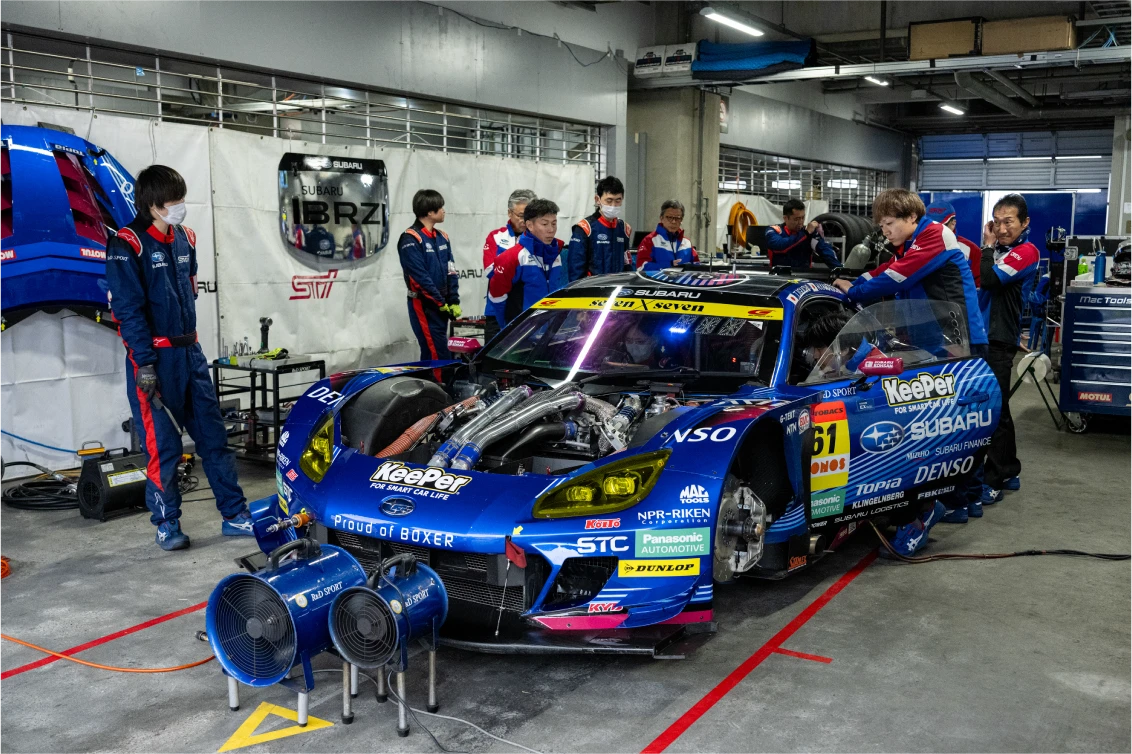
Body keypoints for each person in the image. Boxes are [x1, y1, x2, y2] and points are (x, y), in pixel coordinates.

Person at [105, 165, 251, 551]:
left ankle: (235, 515)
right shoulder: (127, 243)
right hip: (155, 361)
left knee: (215, 439)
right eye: (173, 201)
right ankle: (167, 524)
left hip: (191, 354)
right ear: (152, 204)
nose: (180, 206)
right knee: (164, 448)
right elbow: (127, 311)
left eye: (181, 199)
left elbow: (190, 288)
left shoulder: (186, 237)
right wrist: (144, 363)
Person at [832, 188, 987, 552]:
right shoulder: (909, 243)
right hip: (933, 343)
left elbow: (897, 277)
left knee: (958, 424)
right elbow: (885, 270)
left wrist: (854, 292)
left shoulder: (934, 235)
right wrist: (856, 281)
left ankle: (963, 499)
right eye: (881, 225)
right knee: (946, 423)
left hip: (958, 343)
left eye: (889, 223)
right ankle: (956, 501)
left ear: (911, 218)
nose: (885, 230)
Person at [977, 194, 1040, 505]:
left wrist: (987, 247)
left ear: (1025, 223)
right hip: (983, 336)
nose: (1001, 229)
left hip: (1000, 339)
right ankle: (1010, 469)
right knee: (996, 408)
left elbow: (990, 280)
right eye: (997, 222)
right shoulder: (1001, 252)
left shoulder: (1026, 252)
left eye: (1009, 222)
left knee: (995, 411)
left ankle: (995, 478)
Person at [398, 189, 460, 363]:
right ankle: (440, 381)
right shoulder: (410, 239)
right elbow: (420, 278)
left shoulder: (442, 237)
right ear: (430, 212)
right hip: (424, 305)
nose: (444, 211)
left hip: (442, 303)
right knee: (435, 352)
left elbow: (451, 269)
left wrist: (453, 300)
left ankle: (434, 380)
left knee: (438, 351)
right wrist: (440, 302)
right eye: (440, 207)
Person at [487, 199, 566, 329]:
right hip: (523, 332)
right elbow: (496, 296)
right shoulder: (512, 257)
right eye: (544, 224)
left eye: (554, 223)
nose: (551, 230)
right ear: (529, 225)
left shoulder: (558, 252)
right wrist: (509, 329)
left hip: (552, 330)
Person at [482, 188, 537, 344]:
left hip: (529, 313)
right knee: (492, 356)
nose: (524, 220)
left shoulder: (539, 239)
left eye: (529, 215)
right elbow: (491, 271)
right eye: (520, 215)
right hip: (496, 311)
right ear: (509, 213)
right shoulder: (496, 236)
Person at [567, 176, 632, 281]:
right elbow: (575, 270)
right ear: (598, 200)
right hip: (593, 288)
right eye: (609, 200)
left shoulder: (624, 228)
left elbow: (627, 264)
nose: (613, 205)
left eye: (618, 200)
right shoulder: (585, 228)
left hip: (618, 287)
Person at [765, 198, 841, 269]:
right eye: (797, 219)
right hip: (779, 276)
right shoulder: (773, 231)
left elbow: (825, 250)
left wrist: (839, 270)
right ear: (785, 218)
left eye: (803, 218)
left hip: (803, 276)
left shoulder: (809, 233)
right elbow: (780, 246)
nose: (800, 222)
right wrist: (806, 233)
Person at [926, 200, 981, 288]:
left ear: (953, 223)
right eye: (929, 226)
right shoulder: (916, 246)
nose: (933, 231)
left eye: (939, 227)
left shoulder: (971, 250)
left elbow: (979, 286)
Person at [636, 200, 699, 271]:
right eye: (669, 217)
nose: (673, 222)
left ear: (681, 220)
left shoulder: (687, 242)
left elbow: (697, 266)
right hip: (658, 278)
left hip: (683, 278)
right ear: (661, 218)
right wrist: (668, 265)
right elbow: (641, 267)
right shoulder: (650, 240)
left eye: (677, 218)